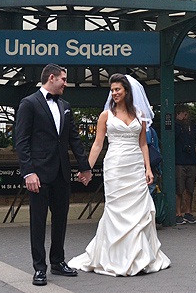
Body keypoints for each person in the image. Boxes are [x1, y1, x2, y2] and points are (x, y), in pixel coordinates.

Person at [68, 73, 171, 276]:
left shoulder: (139, 115)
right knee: (116, 210)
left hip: (135, 167)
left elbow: (143, 144)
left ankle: (139, 256)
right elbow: (98, 144)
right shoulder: (105, 116)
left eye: (118, 89)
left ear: (127, 91)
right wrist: (87, 168)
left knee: (139, 212)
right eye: (112, 90)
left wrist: (148, 168)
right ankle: (113, 257)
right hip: (115, 166)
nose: (114, 93)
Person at [14, 63, 92, 287]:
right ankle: (39, 268)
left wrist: (85, 167)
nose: (66, 84)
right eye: (63, 79)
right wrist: (28, 172)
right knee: (37, 222)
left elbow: (74, 139)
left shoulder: (66, 105)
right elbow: (21, 141)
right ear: (51, 77)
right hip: (38, 174)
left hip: (61, 174)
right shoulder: (28, 103)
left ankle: (57, 262)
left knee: (61, 221)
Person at [174, 104, 196, 225]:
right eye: (183, 114)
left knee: (190, 189)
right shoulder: (175, 126)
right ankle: (178, 213)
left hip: (191, 161)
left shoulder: (193, 127)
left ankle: (188, 212)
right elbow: (172, 138)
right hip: (179, 161)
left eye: (186, 114)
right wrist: (178, 124)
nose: (185, 116)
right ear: (178, 115)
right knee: (179, 189)